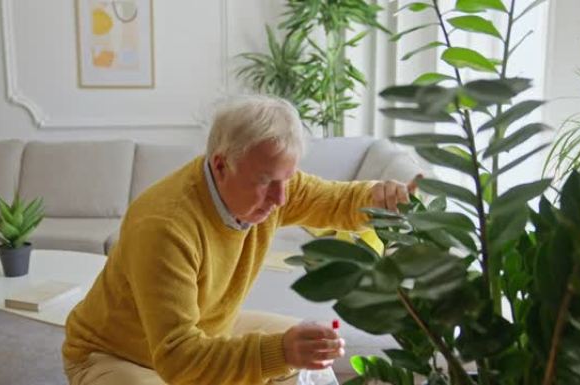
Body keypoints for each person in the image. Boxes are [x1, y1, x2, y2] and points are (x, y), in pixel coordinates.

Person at [62, 95, 418, 385]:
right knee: (282, 353)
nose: (280, 198)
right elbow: (177, 359)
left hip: (208, 328)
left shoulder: (278, 188)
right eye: (265, 181)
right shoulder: (165, 225)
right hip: (114, 354)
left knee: (312, 357)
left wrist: (382, 196)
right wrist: (279, 352)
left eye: (288, 178)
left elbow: (337, 200)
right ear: (220, 165)